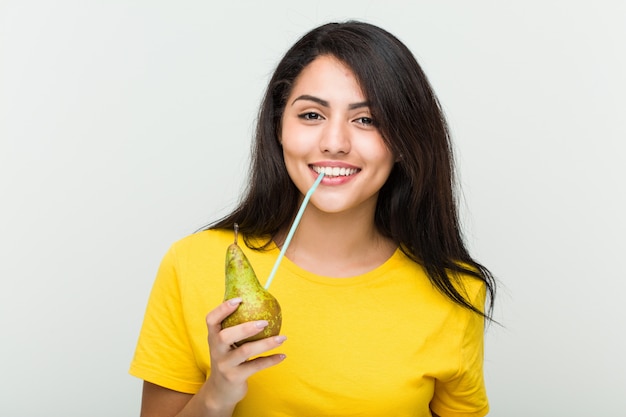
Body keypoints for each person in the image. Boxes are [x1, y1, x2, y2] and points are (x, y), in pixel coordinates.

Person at [129, 20, 497, 417]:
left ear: (405, 141)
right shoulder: (192, 265)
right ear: (279, 129)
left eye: (366, 120)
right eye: (311, 115)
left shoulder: (456, 290)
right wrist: (218, 393)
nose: (334, 143)